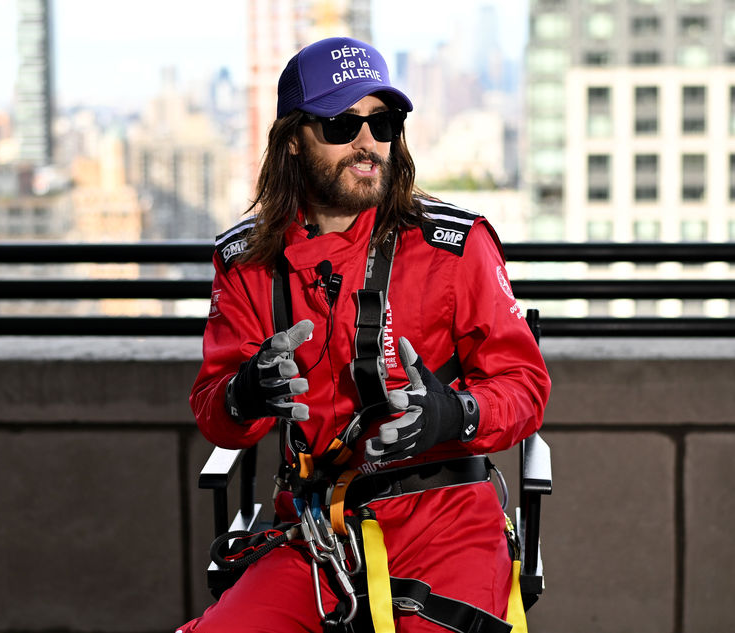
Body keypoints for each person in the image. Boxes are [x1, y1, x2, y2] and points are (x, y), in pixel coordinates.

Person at [181, 36, 551, 633]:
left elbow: (525, 387)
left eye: (383, 122)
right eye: (340, 124)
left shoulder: (453, 247)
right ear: (294, 141)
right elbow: (215, 414)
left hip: (447, 522)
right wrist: (243, 394)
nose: (367, 142)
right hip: (314, 533)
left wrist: (453, 415)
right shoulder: (247, 262)